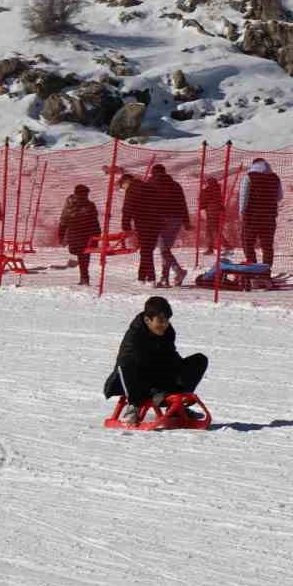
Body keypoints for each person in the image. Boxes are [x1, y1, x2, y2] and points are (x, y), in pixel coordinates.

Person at [103, 296, 208, 424]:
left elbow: (170, 357)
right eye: (160, 321)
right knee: (127, 363)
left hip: (159, 378)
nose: (165, 325)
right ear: (147, 320)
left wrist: (182, 380)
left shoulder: (168, 331)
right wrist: (143, 395)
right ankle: (133, 407)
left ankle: (176, 408)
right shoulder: (134, 336)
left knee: (199, 360)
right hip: (136, 384)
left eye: (167, 320)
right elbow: (123, 367)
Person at [145, 164, 189, 287]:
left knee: (164, 250)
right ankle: (165, 278)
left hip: (159, 219)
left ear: (153, 173)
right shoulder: (175, 185)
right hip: (176, 220)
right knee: (165, 250)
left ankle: (177, 272)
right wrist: (186, 222)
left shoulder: (150, 184)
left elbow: (145, 204)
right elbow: (183, 204)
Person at [239, 158, 283, 266]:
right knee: (267, 246)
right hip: (269, 218)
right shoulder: (275, 178)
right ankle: (265, 271)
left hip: (252, 217)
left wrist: (242, 211)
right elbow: (280, 196)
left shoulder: (248, 177)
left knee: (247, 243)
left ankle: (252, 268)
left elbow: (243, 196)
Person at [57, 183, 101, 286]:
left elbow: (63, 221)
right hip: (81, 235)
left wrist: (61, 236)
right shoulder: (86, 204)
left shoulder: (73, 204)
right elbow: (95, 222)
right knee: (83, 255)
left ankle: (84, 278)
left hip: (80, 235)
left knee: (83, 255)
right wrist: (96, 236)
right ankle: (84, 278)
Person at [119, 173, 157, 283]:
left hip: (144, 222)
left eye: (123, 187)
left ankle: (151, 278)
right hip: (157, 221)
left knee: (146, 250)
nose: (124, 189)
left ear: (126, 182)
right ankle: (142, 278)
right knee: (147, 250)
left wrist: (126, 226)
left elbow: (127, 208)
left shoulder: (132, 189)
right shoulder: (148, 186)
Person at [199, 174, 224, 255]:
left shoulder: (208, 190)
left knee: (212, 230)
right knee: (212, 230)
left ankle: (225, 246)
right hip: (215, 211)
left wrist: (202, 191)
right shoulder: (217, 189)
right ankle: (211, 248)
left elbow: (203, 201)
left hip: (211, 211)